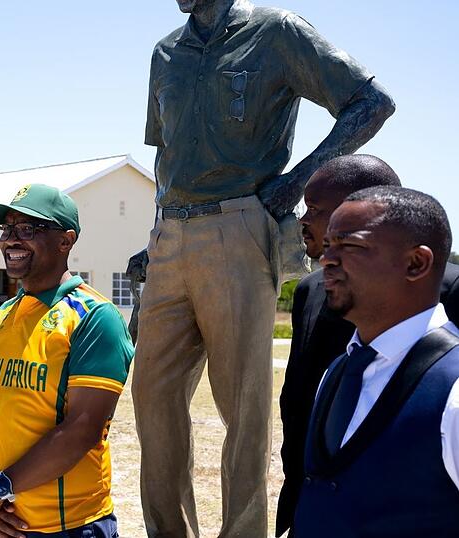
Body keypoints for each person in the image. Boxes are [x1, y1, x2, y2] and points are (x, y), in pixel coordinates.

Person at [133, 0, 396, 535]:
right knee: (153, 405)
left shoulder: (277, 32)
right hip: (170, 234)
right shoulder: (166, 53)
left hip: (239, 226)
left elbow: (371, 103)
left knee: (244, 412)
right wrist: (154, 233)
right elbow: (165, 158)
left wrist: (294, 184)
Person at [276, 155, 459, 536]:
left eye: (349, 246)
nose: (327, 259)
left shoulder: (453, 391)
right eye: (328, 245)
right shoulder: (339, 371)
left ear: (415, 263)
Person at [0, 184, 134, 537]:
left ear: (65, 241)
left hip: (65, 527)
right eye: (6, 230)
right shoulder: (6, 313)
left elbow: (80, 432)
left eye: (27, 230)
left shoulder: (95, 317)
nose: (11, 240)